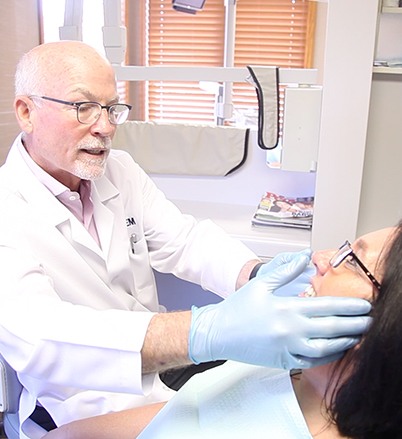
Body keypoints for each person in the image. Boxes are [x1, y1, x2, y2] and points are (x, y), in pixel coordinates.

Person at [0, 40, 370, 438]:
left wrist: (258, 273)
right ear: (26, 112)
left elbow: (183, 240)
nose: (105, 126)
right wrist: (204, 330)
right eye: (83, 107)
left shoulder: (118, 170)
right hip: (80, 405)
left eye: (111, 109)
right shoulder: (8, 209)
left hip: (162, 377)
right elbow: (41, 338)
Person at [44, 223, 400, 439]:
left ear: (389, 327)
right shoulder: (278, 369)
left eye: (351, 259)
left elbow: (185, 240)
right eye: (83, 107)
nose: (321, 258)